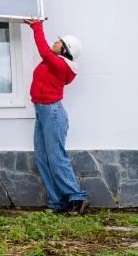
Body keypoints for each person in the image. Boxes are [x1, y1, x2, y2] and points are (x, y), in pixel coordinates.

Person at [24, 17, 89, 215]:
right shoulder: (52, 62)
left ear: (64, 50)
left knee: (56, 157)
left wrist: (37, 27)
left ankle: (77, 198)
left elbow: (43, 49)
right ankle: (57, 202)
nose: (55, 42)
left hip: (52, 113)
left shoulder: (61, 65)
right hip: (42, 112)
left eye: (59, 42)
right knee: (43, 158)